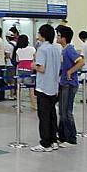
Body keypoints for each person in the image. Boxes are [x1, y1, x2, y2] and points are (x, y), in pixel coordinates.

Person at [30, 24, 61, 152]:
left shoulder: (42, 49)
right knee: (52, 115)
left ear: (42, 34)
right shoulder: (55, 49)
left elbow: (41, 68)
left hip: (43, 87)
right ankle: (53, 140)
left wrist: (33, 65)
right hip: (53, 86)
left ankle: (45, 143)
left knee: (43, 116)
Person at [56, 26, 85, 148]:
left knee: (67, 111)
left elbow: (81, 62)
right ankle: (62, 136)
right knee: (62, 111)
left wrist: (70, 72)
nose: (56, 37)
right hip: (63, 83)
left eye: (58, 35)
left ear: (63, 37)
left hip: (69, 84)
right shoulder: (63, 50)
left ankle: (71, 138)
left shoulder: (69, 50)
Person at [16, 34, 37, 110]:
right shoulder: (32, 49)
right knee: (31, 89)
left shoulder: (18, 50)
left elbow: (17, 60)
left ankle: (19, 105)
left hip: (20, 70)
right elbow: (36, 59)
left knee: (19, 89)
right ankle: (33, 105)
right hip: (29, 70)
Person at [4, 30, 18, 100]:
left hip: (10, 64)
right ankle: (15, 94)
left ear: (7, 38)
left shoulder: (8, 45)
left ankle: (11, 95)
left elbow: (7, 56)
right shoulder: (16, 44)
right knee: (15, 80)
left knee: (10, 80)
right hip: (16, 64)